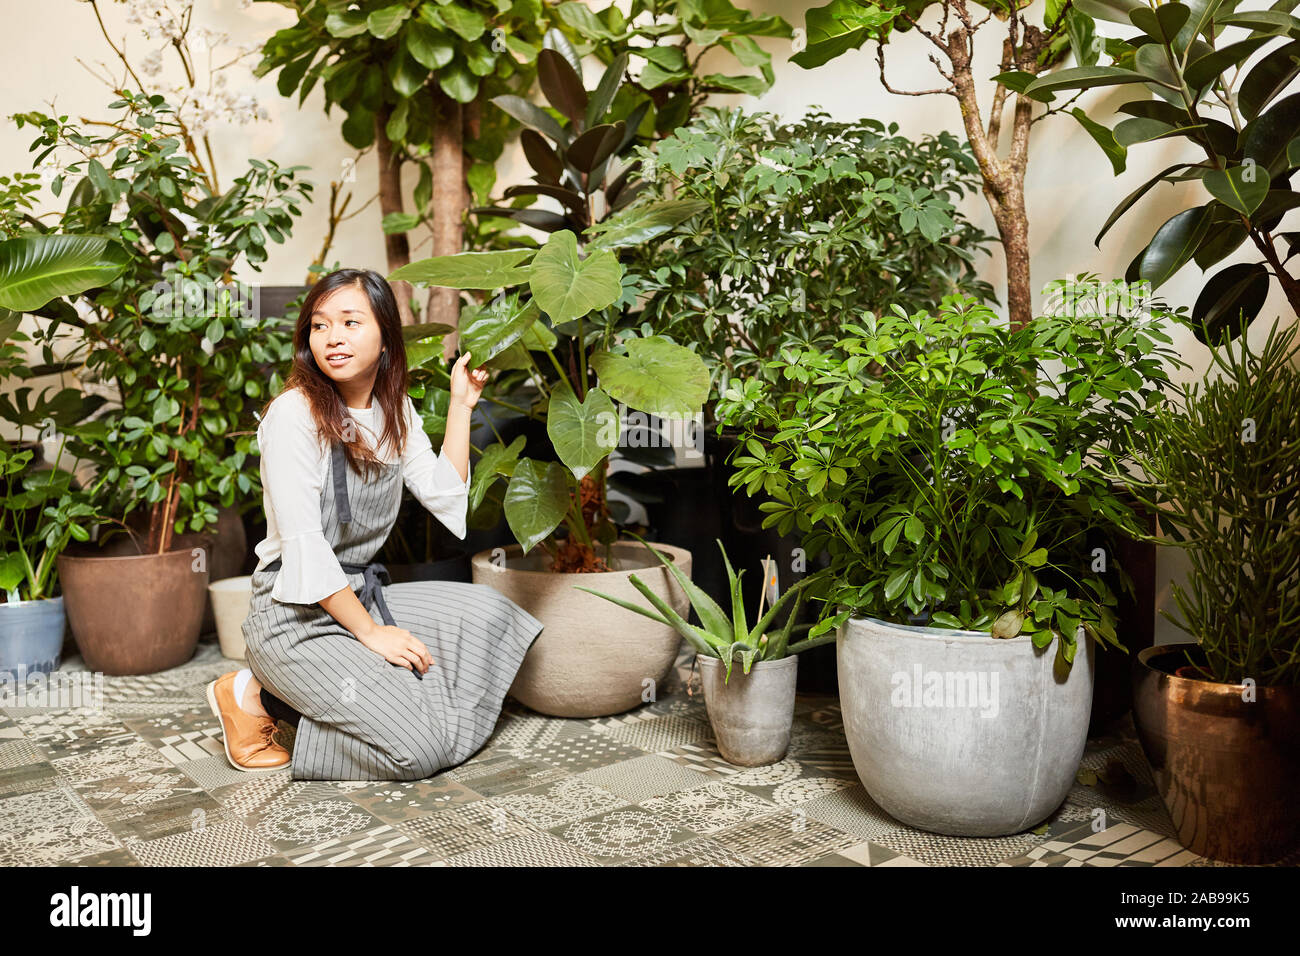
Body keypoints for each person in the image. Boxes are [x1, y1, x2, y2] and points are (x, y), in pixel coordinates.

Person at [206, 268, 543, 780]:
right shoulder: (293, 415)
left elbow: (443, 493)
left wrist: (459, 407)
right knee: (420, 750)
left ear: (386, 335)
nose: (332, 337)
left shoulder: (395, 411)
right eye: (319, 326)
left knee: (491, 615)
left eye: (349, 322)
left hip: (362, 593)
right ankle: (255, 697)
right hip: (292, 617)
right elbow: (305, 548)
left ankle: (381, 702)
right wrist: (371, 635)